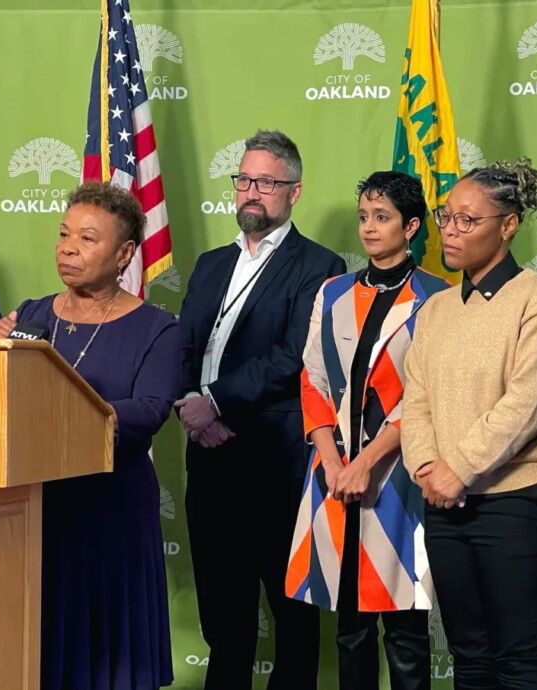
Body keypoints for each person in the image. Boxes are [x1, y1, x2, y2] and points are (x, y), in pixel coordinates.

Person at [0, 181, 177, 690]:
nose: (68, 248)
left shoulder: (157, 328)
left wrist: (67, 413)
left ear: (125, 254)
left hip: (110, 509)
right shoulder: (31, 315)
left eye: (88, 239)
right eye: (64, 234)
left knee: (106, 655)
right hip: (36, 504)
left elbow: (149, 410)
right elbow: (4, 399)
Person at [175, 129, 345, 689]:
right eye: (244, 180)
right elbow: (183, 346)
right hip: (208, 457)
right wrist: (191, 407)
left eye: (266, 183)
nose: (251, 192)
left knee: (291, 614)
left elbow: (294, 354)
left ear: (294, 192)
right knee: (223, 616)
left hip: (274, 463)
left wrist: (216, 403)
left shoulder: (318, 265)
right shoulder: (210, 264)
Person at [401, 158, 537, 690]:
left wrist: (460, 468)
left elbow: (530, 403)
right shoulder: (436, 309)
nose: (450, 231)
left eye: (467, 220)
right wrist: (428, 468)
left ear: (508, 225)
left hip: (517, 501)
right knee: (470, 658)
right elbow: (416, 400)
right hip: (445, 504)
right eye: (446, 216)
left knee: (519, 659)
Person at [286, 171, 449, 690]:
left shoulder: (438, 297)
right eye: (363, 217)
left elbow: (424, 396)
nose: (369, 228)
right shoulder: (333, 291)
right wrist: (333, 461)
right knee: (349, 628)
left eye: (382, 217)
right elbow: (312, 379)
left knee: (406, 630)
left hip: (400, 477)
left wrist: (364, 463)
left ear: (412, 226)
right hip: (332, 476)